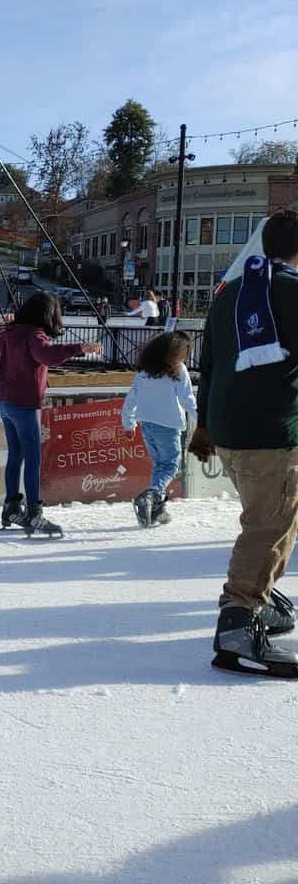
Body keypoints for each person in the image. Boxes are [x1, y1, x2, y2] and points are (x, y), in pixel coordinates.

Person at [190, 209, 298, 677]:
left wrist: (203, 425)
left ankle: (260, 595)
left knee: (277, 516)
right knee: (269, 525)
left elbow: (207, 361)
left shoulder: (231, 292)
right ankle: (238, 621)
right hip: (270, 433)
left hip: (230, 431)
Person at [0, 292, 102, 537]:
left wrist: (9, 326)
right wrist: (79, 348)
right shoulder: (34, 334)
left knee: (15, 456)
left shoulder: (13, 332)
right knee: (33, 459)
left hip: (5, 402)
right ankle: (33, 513)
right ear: (49, 314)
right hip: (24, 404)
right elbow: (46, 355)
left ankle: (11, 508)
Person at [122, 331, 196, 528]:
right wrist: (203, 422)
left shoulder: (144, 372)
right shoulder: (178, 370)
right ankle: (150, 496)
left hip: (147, 426)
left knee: (159, 466)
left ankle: (157, 509)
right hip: (169, 426)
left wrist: (128, 424)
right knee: (171, 466)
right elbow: (188, 400)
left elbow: (130, 400)